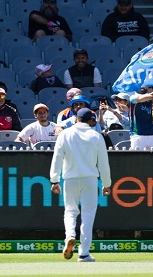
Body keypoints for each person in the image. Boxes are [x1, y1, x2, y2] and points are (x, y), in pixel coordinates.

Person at [49, 108, 111, 263]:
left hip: (70, 179)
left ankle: (70, 236)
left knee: (70, 212)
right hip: (90, 179)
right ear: (91, 121)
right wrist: (106, 184)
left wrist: (54, 180)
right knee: (88, 216)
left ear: (76, 119)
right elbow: (103, 163)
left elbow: (57, 158)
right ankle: (83, 254)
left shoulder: (65, 134)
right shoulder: (96, 136)